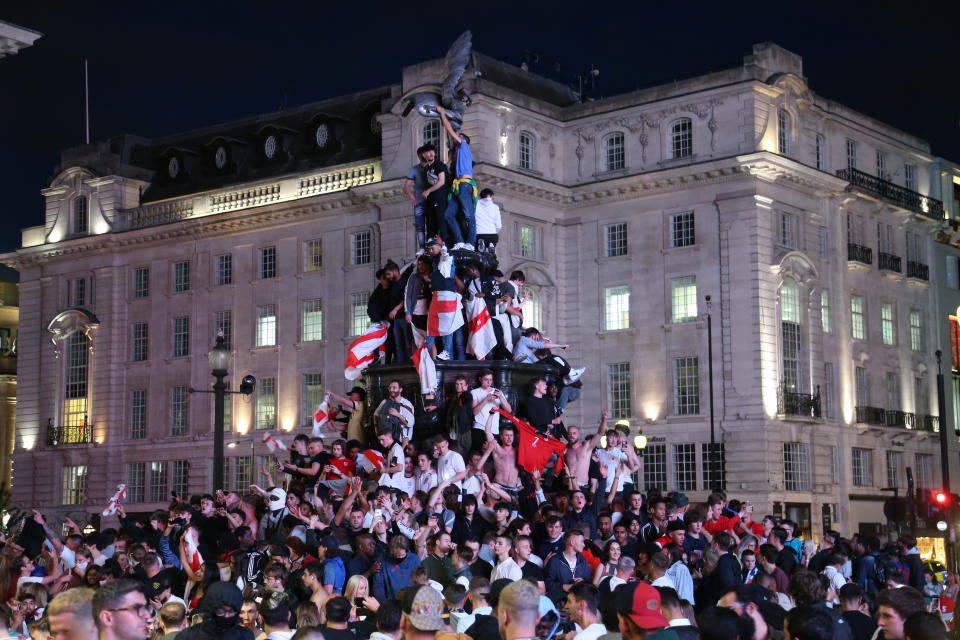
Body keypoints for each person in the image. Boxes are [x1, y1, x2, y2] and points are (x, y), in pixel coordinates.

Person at [435, 105, 476, 250]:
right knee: (448, 215)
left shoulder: (464, 145)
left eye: (460, 136)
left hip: (464, 185)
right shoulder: (458, 155)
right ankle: (460, 241)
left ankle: (471, 243)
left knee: (469, 215)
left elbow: (449, 130)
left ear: (464, 139)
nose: (457, 137)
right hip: (458, 186)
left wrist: (442, 113)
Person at [404, 144, 447, 249]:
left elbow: (441, 180)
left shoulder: (435, 165)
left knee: (436, 221)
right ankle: (424, 248)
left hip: (432, 199)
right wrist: (412, 197)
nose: (430, 154)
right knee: (422, 226)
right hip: (421, 201)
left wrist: (428, 191)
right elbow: (406, 186)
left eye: (432, 151)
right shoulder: (417, 169)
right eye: (427, 152)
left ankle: (440, 244)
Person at [470, 370, 512, 452]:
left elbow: (509, 410)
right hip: (479, 428)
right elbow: (474, 412)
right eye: (486, 379)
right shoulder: (474, 392)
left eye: (490, 379)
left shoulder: (497, 391)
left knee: (493, 458)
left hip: (494, 429)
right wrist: (486, 400)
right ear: (480, 379)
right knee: (478, 455)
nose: (489, 382)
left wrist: (501, 398)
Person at [545, 530, 592, 596]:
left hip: (579, 600)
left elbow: (588, 581)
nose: (584, 545)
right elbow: (547, 584)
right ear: (572, 543)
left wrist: (583, 582)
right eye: (581, 541)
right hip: (561, 601)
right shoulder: (555, 560)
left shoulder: (582, 560)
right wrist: (563, 586)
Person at [375, 381, 414, 445]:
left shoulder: (406, 404)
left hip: (401, 441)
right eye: (390, 388)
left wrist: (397, 414)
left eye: (394, 387)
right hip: (386, 441)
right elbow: (376, 417)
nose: (391, 390)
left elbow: (410, 423)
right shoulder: (384, 403)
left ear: (400, 389)